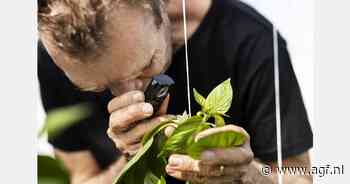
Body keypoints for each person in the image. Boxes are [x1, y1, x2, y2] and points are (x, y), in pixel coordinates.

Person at [38, 0, 313, 183]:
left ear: (160, 6)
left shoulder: (252, 42)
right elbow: (80, 177)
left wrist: (246, 173)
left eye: (145, 66)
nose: (129, 95)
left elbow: (300, 177)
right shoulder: (59, 53)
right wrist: (132, 160)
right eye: (97, 87)